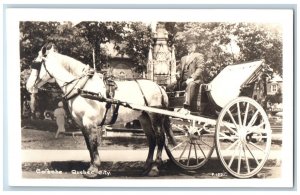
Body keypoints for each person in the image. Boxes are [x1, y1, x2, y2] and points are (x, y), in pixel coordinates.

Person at [169, 35, 205, 114]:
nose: (189, 46)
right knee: (170, 86)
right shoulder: (183, 58)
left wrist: (192, 78)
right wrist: (178, 73)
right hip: (183, 81)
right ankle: (170, 106)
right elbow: (179, 69)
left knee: (190, 85)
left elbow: (200, 68)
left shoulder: (198, 56)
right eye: (188, 45)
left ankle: (186, 107)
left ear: (195, 46)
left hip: (195, 81)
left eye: (191, 45)